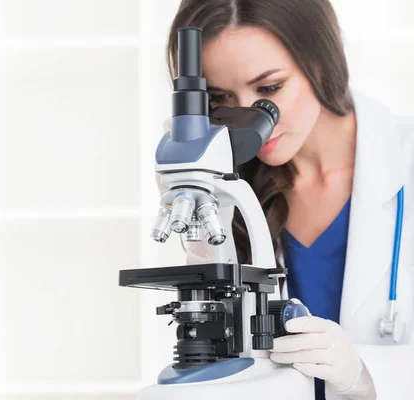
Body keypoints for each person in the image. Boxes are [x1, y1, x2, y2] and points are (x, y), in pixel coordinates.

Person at [161, 1, 414, 399]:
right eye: (221, 99)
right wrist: (201, 236)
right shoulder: (232, 189)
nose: (248, 118)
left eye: (269, 89)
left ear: (321, 61)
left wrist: (363, 373)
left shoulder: (406, 158)